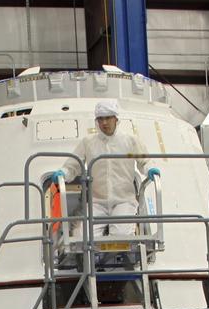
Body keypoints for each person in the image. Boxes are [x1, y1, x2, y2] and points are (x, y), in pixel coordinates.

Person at [54, 99, 150, 237]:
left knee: (121, 235)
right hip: (97, 202)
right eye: (100, 119)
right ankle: (88, 259)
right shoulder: (88, 142)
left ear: (116, 119)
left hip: (123, 201)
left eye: (108, 118)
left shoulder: (130, 141)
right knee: (82, 236)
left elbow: (145, 162)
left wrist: (151, 170)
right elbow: (73, 166)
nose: (104, 123)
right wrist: (63, 173)